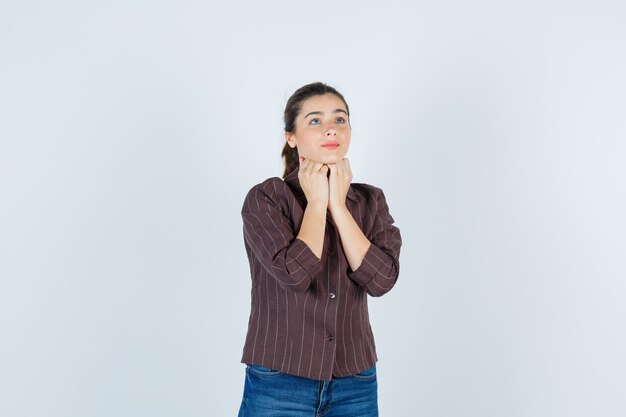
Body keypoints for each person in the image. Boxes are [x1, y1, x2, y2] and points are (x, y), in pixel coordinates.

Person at [237, 82, 402, 417]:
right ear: (291, 137)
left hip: (355, 382)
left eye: (340, 120)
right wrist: (316, 202)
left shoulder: (370, 201)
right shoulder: (266, 199)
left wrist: (339, 207)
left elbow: (382, 281)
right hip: (279, 380)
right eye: (315, 120)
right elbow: (294, 274)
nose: (331, 128)